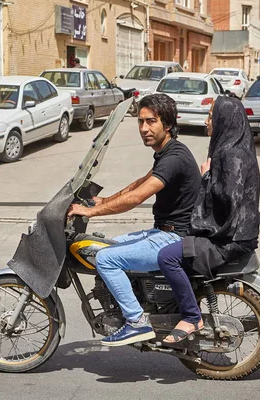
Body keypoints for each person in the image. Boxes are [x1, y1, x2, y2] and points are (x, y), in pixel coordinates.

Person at [68, 94, 201, 346]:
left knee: (106, 259)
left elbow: (138, 196)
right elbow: (140, 182)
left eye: (151, 121)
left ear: (168, 124)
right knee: (108, 245)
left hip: (174, 237)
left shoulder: (175, 157)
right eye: (140, 122)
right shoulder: (167, 153)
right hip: (164, 231)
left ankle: (137, 322)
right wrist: (104, 200)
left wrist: (90, 212)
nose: (144, 128)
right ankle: (137, 303)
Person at [156, 96, 260, 346]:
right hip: (234, 234)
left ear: (224, 120)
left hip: (229, 239)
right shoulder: (238, 148)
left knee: (166, 256)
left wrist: (206, 178)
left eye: (211, 116)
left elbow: (229, 200)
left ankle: (192, 317)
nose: (207, 122)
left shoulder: (231, 154)